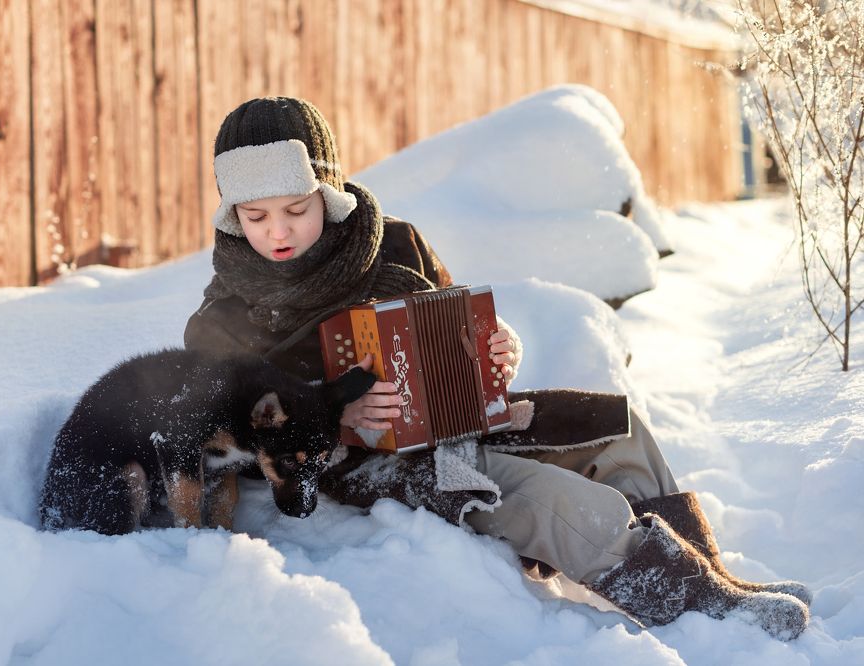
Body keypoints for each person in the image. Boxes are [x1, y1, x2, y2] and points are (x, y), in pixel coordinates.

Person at [183, 96, 811, 640]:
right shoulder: (223, 317)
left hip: (457, 423)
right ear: (230, 213)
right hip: (366, 468)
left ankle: (706, 583)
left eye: (295, 208)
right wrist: (334, 414)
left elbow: (454, 311)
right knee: (549, 498)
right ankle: (688, 605)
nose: (277, 232)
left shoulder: (391, 242)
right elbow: (229, 435)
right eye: (255, 216)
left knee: (616, 431)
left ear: (328, 191)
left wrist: (495, 346)